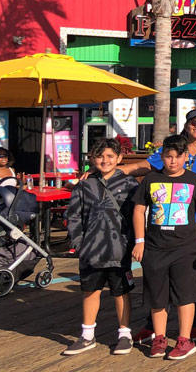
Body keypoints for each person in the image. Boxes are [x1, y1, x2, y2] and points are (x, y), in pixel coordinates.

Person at [123, 109, 196, 343]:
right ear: (187, 124)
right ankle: (154, 326)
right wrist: (118, 170)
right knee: (159, 275)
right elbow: (146, 166)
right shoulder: (172, 149)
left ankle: (195, 324)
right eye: (194, 122)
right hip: (168, 224)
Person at [132, 134, 196, 360]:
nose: (173, 161)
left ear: (186, 157)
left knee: (185, 294)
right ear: (162, 157)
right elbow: (139, 210)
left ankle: (185, 340)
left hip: (185, 247)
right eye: (168, 156)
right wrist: (140, 241)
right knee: (157, 296)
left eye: (177, 157)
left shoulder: (194, 180)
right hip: (155, 247)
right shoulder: (150, 179)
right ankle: (159, 337)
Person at [63, 138, 140, 357]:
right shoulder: (85, 184)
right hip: (91, 249)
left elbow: (136, 216)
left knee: (121, 291)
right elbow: (74, 215)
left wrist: (132, 243)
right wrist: (79, 244)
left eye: (110, 156)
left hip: (119, 249)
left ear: (119, 158)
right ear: (92, 159)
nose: (104, 160)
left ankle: (125, 334)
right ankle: (87, 335)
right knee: (90, 290)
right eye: (99, 156)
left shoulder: (129, 184)